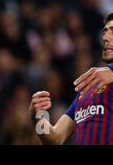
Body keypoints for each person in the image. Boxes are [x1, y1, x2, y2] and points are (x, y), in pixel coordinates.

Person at [29, 13, 113, 145]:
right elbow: (55, 139)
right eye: (105, 32)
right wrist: (37, 118)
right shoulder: (85, 93)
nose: (105, 37)